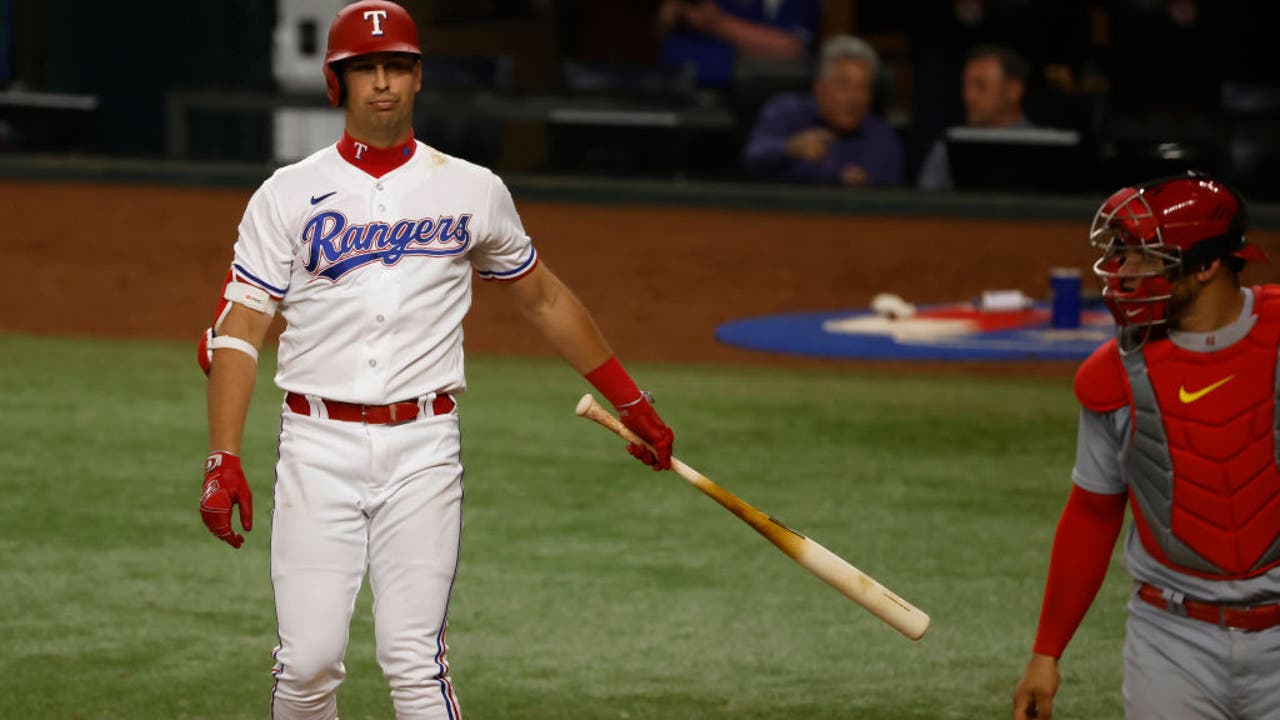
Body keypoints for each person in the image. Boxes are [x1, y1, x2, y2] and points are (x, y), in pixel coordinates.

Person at [195, 2, 675, 718]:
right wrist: (222, 458)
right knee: (307, 665)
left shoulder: (472, 188)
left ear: (418, 78)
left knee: (415, 663)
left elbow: (542, 299)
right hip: (316, 444)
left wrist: (631, 401)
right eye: (366, 70)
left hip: (424, 445)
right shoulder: (286, 195)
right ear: (338, 83)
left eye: (397, 67)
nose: (383, 83)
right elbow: (238, 331)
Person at [1012, 172, 1280, 720]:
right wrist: (1046, 652)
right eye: (1120, 254)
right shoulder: (1113, 376)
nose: (1123, 275)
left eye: (1144, 257)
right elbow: (1091, 511)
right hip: (1172, 642)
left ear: (1207, 265)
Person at [742, 34, 903, 188]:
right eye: (844, 85)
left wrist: (844, 180)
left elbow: (886, 197)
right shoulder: (785, 112)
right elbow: (753, 156)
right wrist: (790, 148)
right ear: (820, 88)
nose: (855, 98)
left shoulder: (881, 136)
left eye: (863, 88)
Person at [917, 45, 1030, 191]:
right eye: (965, 85)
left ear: (1013, 90)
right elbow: (923, 208)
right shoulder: (949, 149)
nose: (968, 96)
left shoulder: (1045, 152)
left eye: (981, 85)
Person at [656, 0, 821, 88]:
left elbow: (791, 48)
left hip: (739, 91)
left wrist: (717, 23)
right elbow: (662, 30)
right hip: (675, 85)